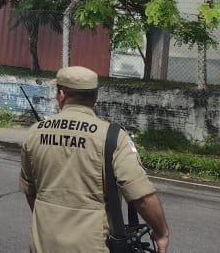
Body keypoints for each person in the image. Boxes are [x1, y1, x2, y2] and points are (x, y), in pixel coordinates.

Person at [20, 66, 170, 253]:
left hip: (43, 244)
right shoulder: (113, 137)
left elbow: (29, 190)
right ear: (95, 97)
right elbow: (141, 195)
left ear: (61, 94)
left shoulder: (34, 133)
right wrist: (161, 232)